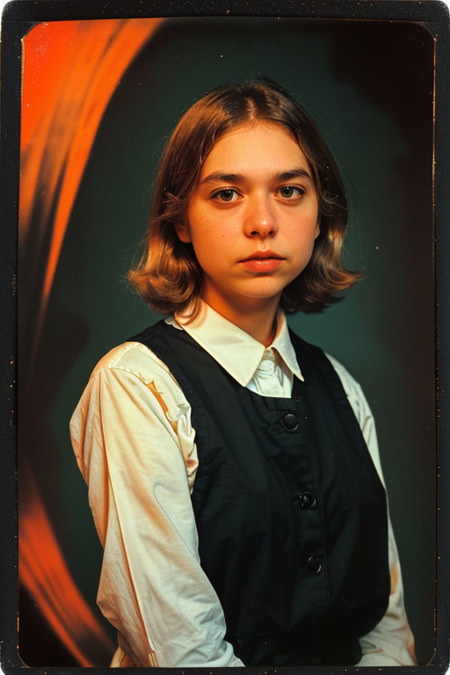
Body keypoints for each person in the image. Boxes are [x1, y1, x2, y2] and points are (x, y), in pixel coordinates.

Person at [70, 80, 416, 668]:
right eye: (227, 194)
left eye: (289, 190)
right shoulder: (136, 384)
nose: (263, 221)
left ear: (319, 212)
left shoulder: (340, 386)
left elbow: (386, 623)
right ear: (180, 219)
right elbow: (181, 649)